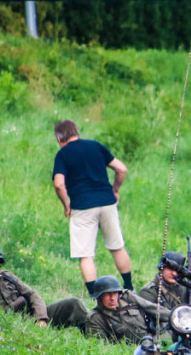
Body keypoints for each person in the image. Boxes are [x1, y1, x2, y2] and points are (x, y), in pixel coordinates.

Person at [52, 119, 134, 297]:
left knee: (86, 254)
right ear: (77, 132)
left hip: (82, 206)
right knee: (117, 246)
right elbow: (122, 169)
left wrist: (66, 205)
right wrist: (115, 190)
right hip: (107, 202)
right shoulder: (96, 146)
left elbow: (59, 184)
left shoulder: (63, 154)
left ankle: (94, 295)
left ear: (59, 138)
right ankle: (128, 286)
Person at [0, 243, 88, 330]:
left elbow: (32, 294)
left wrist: (41, 318)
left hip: (35, 317)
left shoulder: (7, 276)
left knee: (73, 303)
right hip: (14, 328)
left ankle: (96, 337)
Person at [86, 275, 171, 344]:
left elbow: (151, 307)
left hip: (156, 333)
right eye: (107, 294)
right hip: (140, 348)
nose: (112, 298)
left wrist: (176, 317)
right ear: (99, 298)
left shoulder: (127, 297)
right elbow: (101, 346)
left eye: (115, 293)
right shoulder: (95, 318)